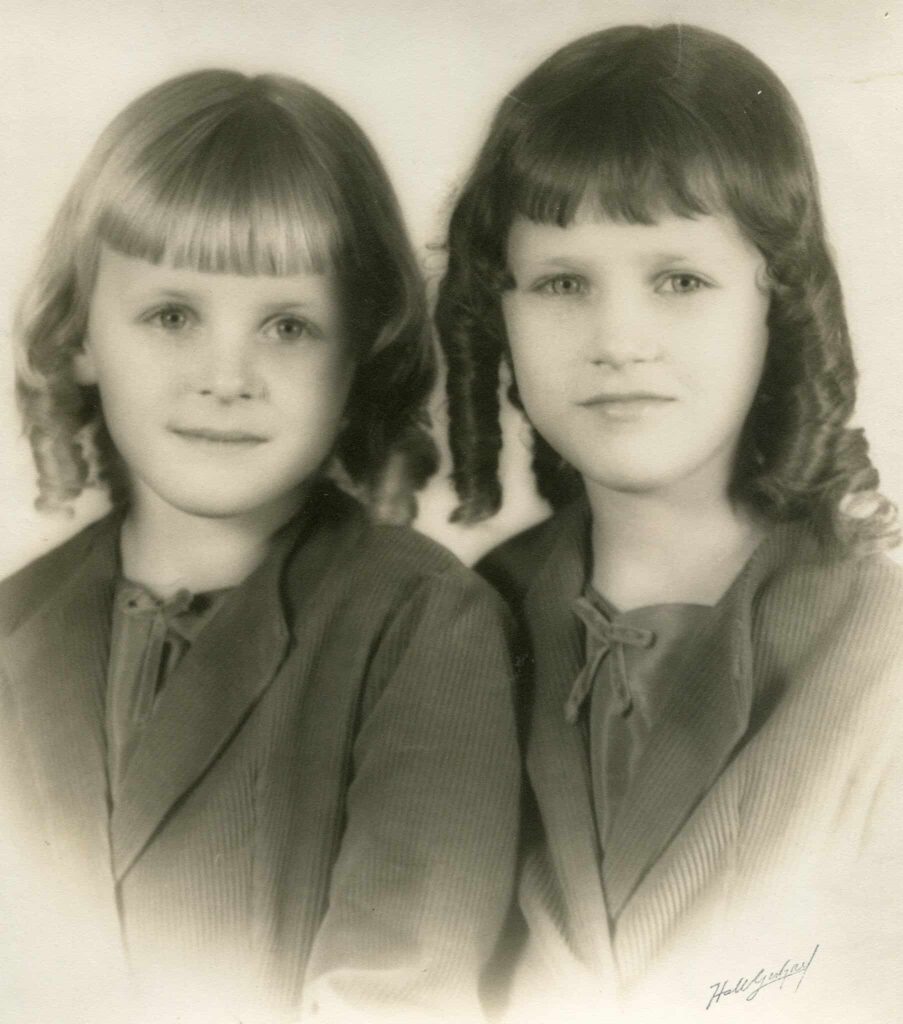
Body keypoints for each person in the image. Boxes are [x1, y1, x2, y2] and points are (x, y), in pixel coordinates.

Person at [0, 69, 519, 1024]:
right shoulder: (11, 626)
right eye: (171, 315)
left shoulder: (421, 629)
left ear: (359, 348)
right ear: (79, 335)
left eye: (287, 325)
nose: (226, 376)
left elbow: (400, 993)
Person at [436, 24, 903, 1022]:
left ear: (773, 301)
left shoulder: (880, 635)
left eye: (679, 281)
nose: (618, 340)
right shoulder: (469, 619)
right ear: (500, 314)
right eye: (564, 282)